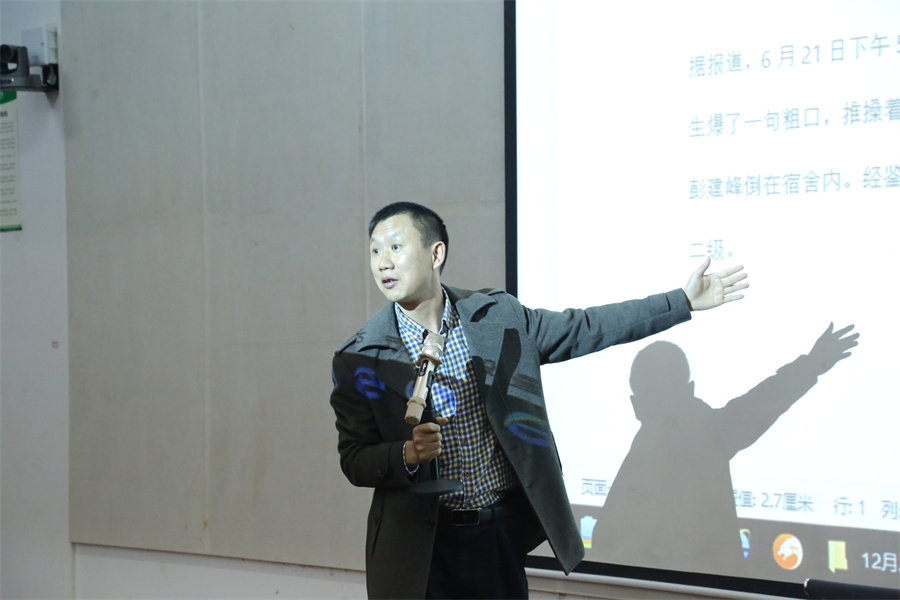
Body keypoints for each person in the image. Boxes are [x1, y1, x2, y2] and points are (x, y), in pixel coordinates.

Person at [330, 201, 748, 599]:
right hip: (418, 550)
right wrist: (406, 454)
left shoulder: (498, 317)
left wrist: (681, 301)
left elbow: (586, 327)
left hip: (496, 538)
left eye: (396, 247)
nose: (383, 262)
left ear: (435, 253)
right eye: (375, 251)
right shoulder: (360, 357)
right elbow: (354, 457)